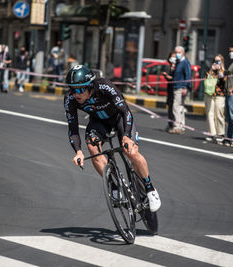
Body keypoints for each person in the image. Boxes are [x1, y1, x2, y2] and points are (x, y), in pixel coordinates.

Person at [64, 65, 161, 212]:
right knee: (92, 146)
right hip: (99, 122)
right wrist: (78, 151)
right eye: (72, 89)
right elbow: (73, 128)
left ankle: (150, 189)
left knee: (132, 152)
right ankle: (114, 186)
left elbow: (126, 112)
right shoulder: (70, 99)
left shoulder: (104, 86)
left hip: (119, 118)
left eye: (79, 89)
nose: (75, 94)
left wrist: (127, 137)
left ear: (90, 86)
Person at [204, 54, 226, 143]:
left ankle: (220, 134)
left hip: (219, 94)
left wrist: (220, 72)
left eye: (218, 61)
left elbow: (224, 81)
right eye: (215, 61)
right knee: (210, 113)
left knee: (219, 113)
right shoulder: (210, 71)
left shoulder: (223, 71)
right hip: (210, 94)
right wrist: (211, 70)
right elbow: (206, 79)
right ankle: (212, 133)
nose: (216, 63)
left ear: (222, 62)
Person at [168, 46, 191, 134]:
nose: (177, 54)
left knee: (176, 107)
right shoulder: (178, 62)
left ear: (183, 53)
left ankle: (177, 126)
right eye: (176, 52)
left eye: (179, 52)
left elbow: (188, 75)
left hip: (180, 87)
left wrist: (185, 87)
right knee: (180, 107)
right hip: (176, 86)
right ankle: (181, 125)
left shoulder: (185, 62)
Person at [162, 52, 177, 131]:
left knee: (175, 108)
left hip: (176, 89)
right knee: (170, 107)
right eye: (172, 56)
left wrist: (169, 76)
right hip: (170, 89)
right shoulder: (169, 66)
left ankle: (175, 124)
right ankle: (170, 124)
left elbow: (176, 78)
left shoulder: (177, 66)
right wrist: (166, 76)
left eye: (175, 56)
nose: (173, 58)